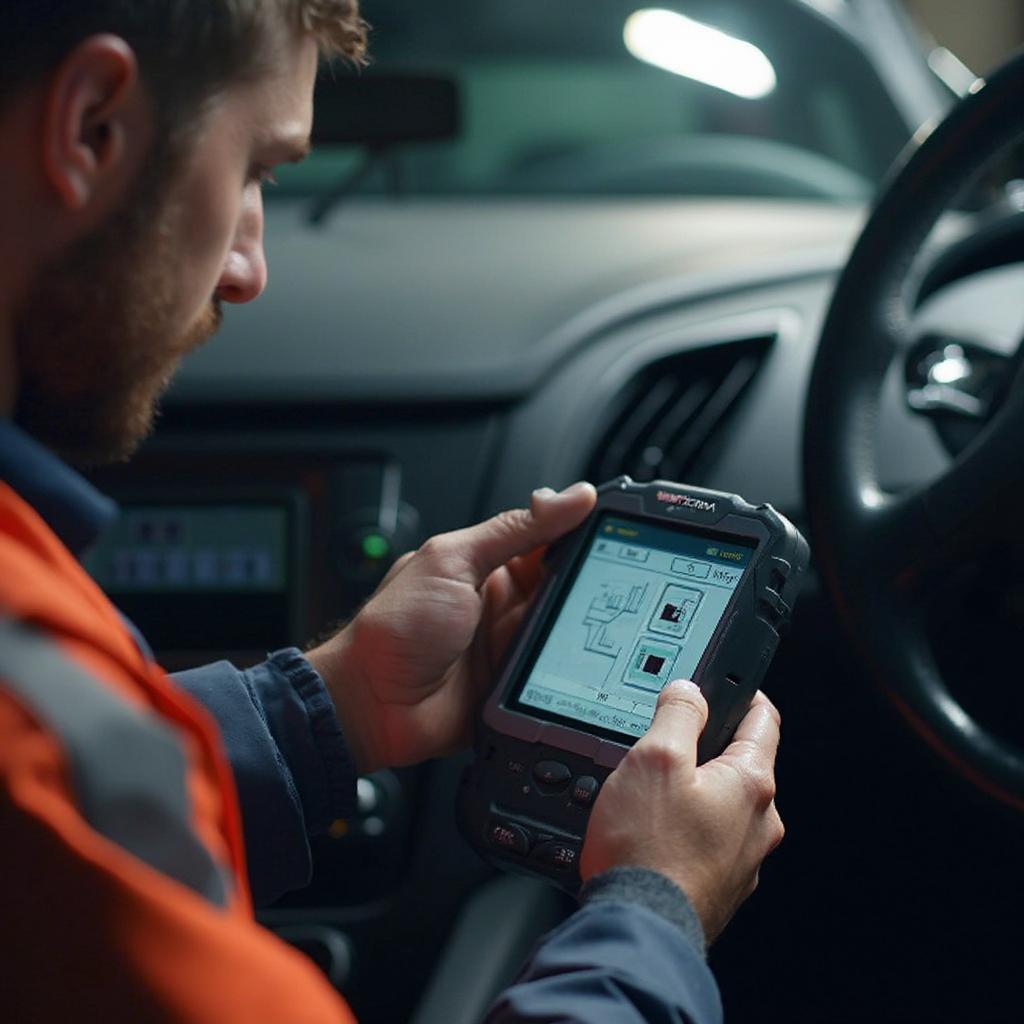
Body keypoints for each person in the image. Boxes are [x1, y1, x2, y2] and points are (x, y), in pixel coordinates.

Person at [0, 2, 785, 1020]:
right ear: (89, 126)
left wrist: (331, 711)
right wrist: (654, 909)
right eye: (255, 171)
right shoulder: (32, 696)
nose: (249, 267)